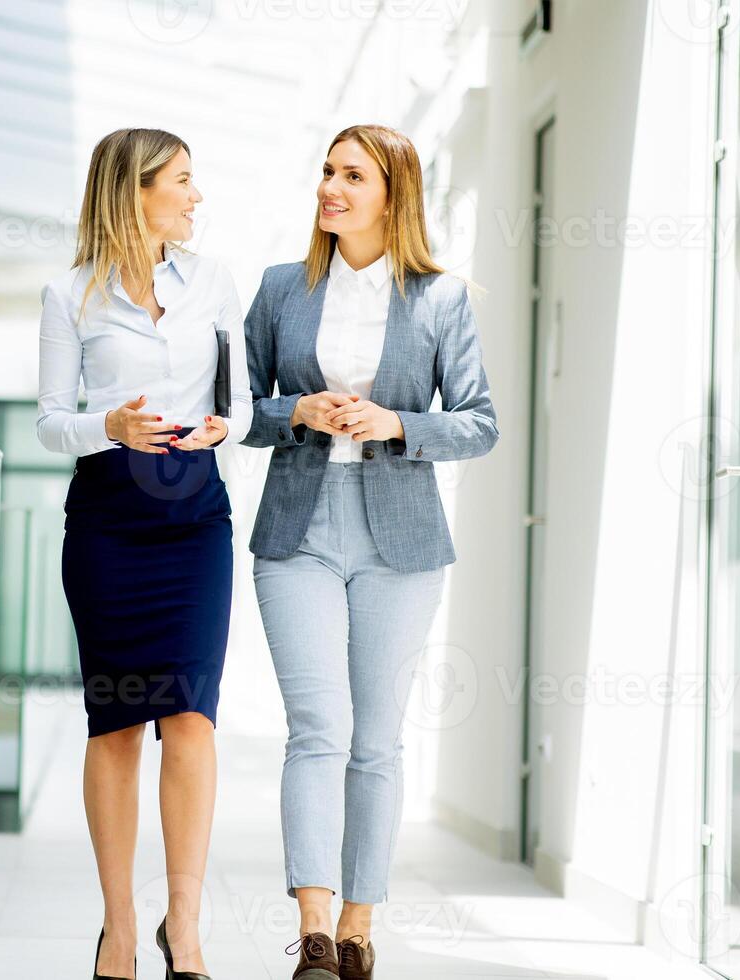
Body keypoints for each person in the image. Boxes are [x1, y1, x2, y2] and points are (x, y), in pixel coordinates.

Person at [240, 123, 499, 980]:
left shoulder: (440, 299)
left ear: (394, 194)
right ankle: (313, 931)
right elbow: (237, 408)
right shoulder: (282, 288)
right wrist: (295, 413)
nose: (330, 188)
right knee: (318, 728)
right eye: (325, 171)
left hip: (400, 537)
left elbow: (478, 422)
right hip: (298, 531)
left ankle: (357, 928)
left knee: (376, 742)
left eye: (351, 175)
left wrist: (396, 423)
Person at [36, 127, 251, 980]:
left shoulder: (216, 282)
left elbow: (234, 402)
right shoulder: (70, 295)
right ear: (136, 192)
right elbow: (51, 421)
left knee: (192, 717)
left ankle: (185, 928)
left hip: (195, 517)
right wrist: (110, 427)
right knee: (117, 722)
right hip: (109, 521)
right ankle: (119, 928)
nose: (197, 198)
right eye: (183, 183)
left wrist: (218, 426)